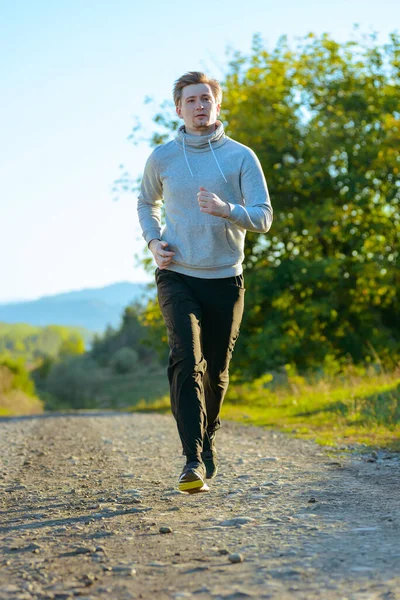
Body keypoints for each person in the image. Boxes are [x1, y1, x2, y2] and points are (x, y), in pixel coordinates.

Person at [137, 71, 273, 493]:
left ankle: (206, 441)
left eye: (205, 99)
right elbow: (146, 202)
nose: (199, 106)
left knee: (215, 371)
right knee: (185, 359)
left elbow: (263, 217)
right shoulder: (162, 157)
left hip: (225, 278)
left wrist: (227, 208)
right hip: (177, 273)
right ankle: (192, 459)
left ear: (217, 105)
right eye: (190, 100)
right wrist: (153, 240)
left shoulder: (240, 157)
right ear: (178, 108)